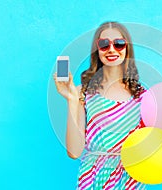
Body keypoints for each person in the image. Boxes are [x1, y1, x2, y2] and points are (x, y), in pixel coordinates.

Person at [54, 21, 147, 189]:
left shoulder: (142, 95)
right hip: (93, 178)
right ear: (97, 50)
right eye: (104, 44)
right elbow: (74, 152)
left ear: (127, 48)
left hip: (130, 179)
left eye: (118, 44)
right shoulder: (83, 92)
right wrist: (72, 100)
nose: (112, 49)